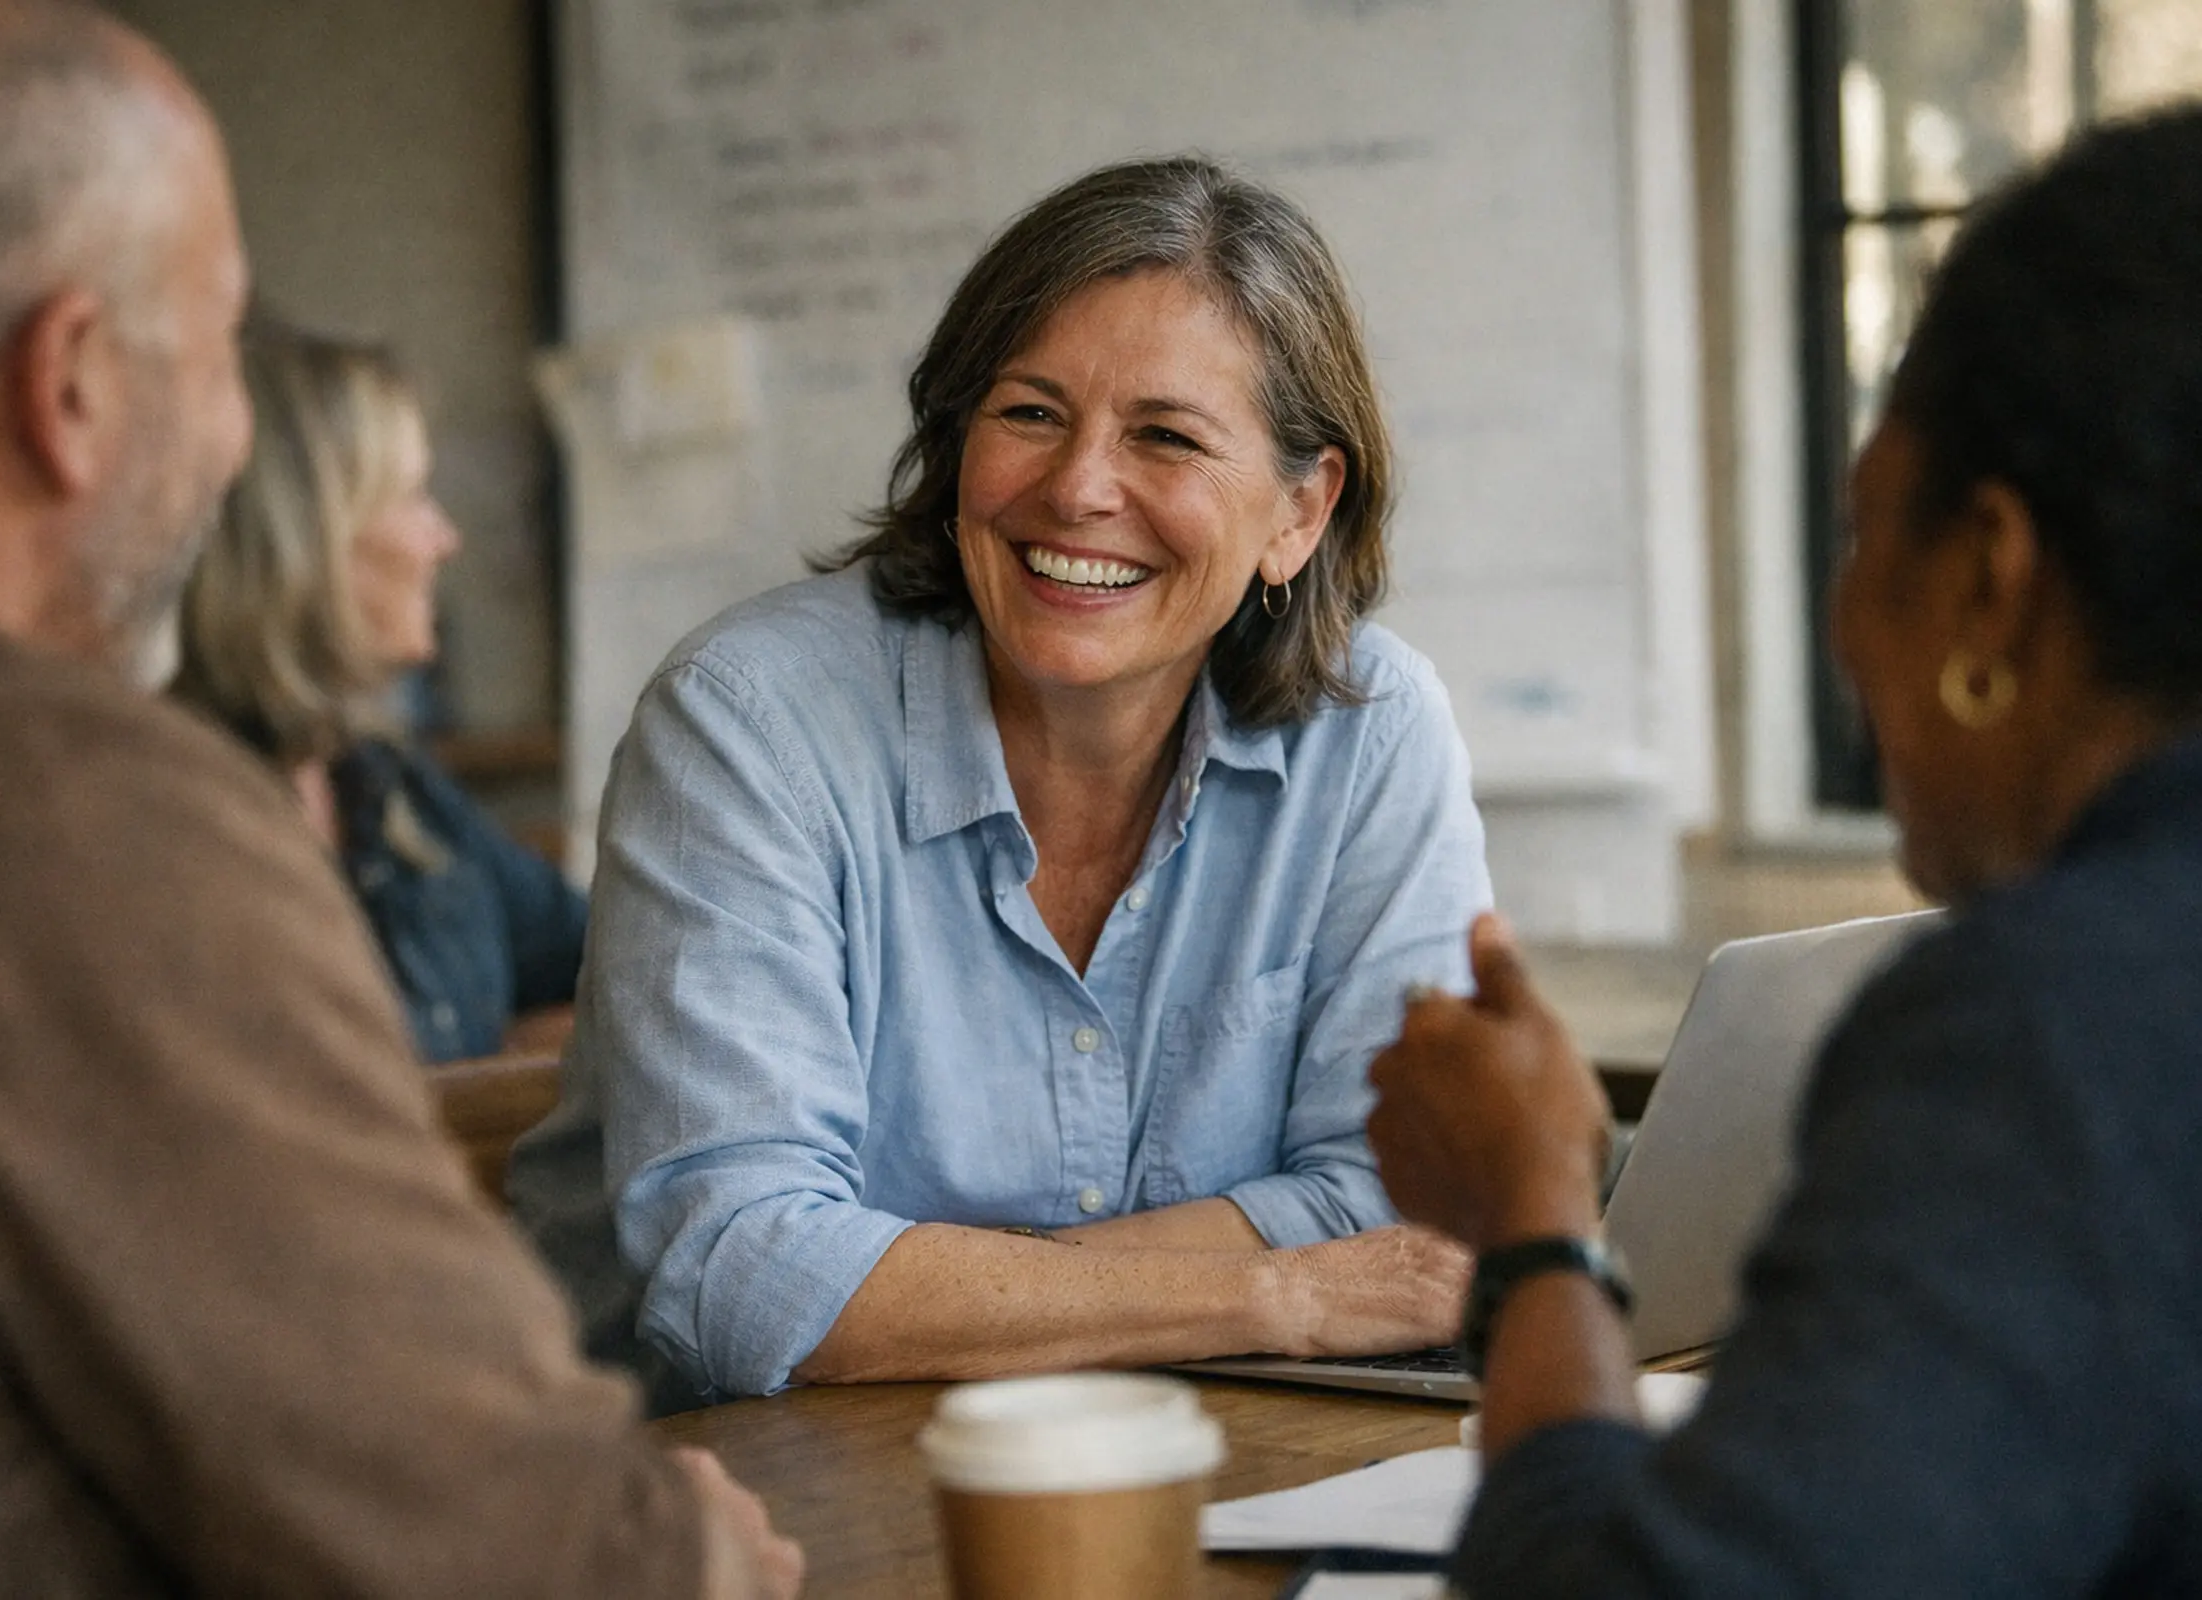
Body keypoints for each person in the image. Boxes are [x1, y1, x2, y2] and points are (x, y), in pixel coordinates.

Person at [0, 2, 798, 1594]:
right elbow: (519, 1557)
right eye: (215, 354)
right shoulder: (61, 816)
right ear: (68, 385)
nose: (230, 435)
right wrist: (698, 1552)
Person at [1369, 106, 2202, 1595]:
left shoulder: (2056, 1029)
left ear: (1991, 580)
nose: (1839, 622)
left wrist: (1539, 1229)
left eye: (1863, 524)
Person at [515, 156, 1493, 1401]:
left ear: (1300, 512)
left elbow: (1401, 1205)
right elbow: (740, 1278)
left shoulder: (1373, 730)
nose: (1079, 488)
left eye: (1166, 436)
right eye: (1029, 413)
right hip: (709, 1499)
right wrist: (1276, 1290)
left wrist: (918, 1293)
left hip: (1187, 1448)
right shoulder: (744, 725)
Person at [172, 321, 588, 1063]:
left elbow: (618, 963)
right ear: (304, 539)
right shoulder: (171, 822)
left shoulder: (386, 781)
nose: (444, 538)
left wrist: (513, 1059)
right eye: (413, 495)